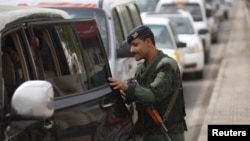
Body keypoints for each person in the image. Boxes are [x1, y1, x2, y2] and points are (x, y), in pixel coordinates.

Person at [108, 25, 187, 141]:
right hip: (148, 133)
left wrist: (128, 88)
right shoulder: (141, 68)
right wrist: (125, 94)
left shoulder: (167, 65)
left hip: (168, 134)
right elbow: (138, 92)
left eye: (135, 45)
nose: (131, 50)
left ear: (148, 42)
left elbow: (154, 94)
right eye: (131, 46)